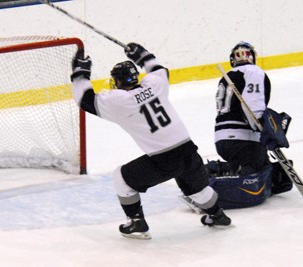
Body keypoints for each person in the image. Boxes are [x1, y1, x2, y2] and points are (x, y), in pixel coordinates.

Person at [70, 42, 231, 240]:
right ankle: (217, 215)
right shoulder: (155, 85)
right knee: (198, 190)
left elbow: (84, 99)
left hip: (164, 159)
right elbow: (159, 69)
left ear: (118, 82)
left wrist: (80, 73)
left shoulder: (119, 101)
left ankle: (137, 223)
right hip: (189, 150)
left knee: (121, 177)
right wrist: (143, 56)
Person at [207, 41, 293, 209]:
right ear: (252, 57)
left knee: (264, 166)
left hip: (222, 141)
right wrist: (266, 130)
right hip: (244, 140)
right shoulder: (253, 72)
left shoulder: (227, 77)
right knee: (259, 176)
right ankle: (214, 175)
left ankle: (220, 170)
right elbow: (253, 108)